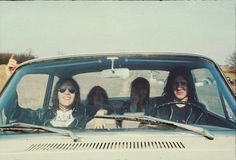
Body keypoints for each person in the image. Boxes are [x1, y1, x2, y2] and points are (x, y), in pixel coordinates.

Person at [6, 78, 87, 128]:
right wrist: (11, 82)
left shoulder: (84, 115)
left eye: (71, 90)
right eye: (62, 89)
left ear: (76, 95)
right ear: (57, 94)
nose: (67, 92)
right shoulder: (42, 115)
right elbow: (13, 113)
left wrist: (100, 113)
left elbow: (95, 116)